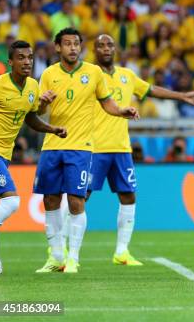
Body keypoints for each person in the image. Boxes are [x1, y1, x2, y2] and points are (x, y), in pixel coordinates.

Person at [81, 34, 194, 266]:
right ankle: (66, 250)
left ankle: (122, 252)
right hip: (93, 148)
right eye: (101, 45)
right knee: (80, 197)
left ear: (115, 49)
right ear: (94, 50)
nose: (106, 48)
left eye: (110, 45)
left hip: (121, 148)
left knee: (128, 196)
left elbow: (151, 90)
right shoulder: (88, 76)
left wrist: (182, 95)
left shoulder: (127, 76)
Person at [34, 28, 139, 274]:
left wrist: (122, 110)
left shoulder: (93, 73)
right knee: (50, 200)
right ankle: (57, 257)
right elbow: (37, 112)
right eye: (67, 44)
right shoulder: (48, 74)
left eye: (76, 44)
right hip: (51, 146)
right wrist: (43, 103)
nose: (72, 48)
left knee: (76, 200)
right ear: (57, 47)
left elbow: (107, 103)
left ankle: (73, 258)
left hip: (81, 147)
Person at [0, 41, 67, 275]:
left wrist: (52, 129)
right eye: (21, 58)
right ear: (11, 62)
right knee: (11, 202)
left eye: (30, 58)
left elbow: (31, 118)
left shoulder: (33, 87)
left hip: (4, 154)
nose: (27, 62)